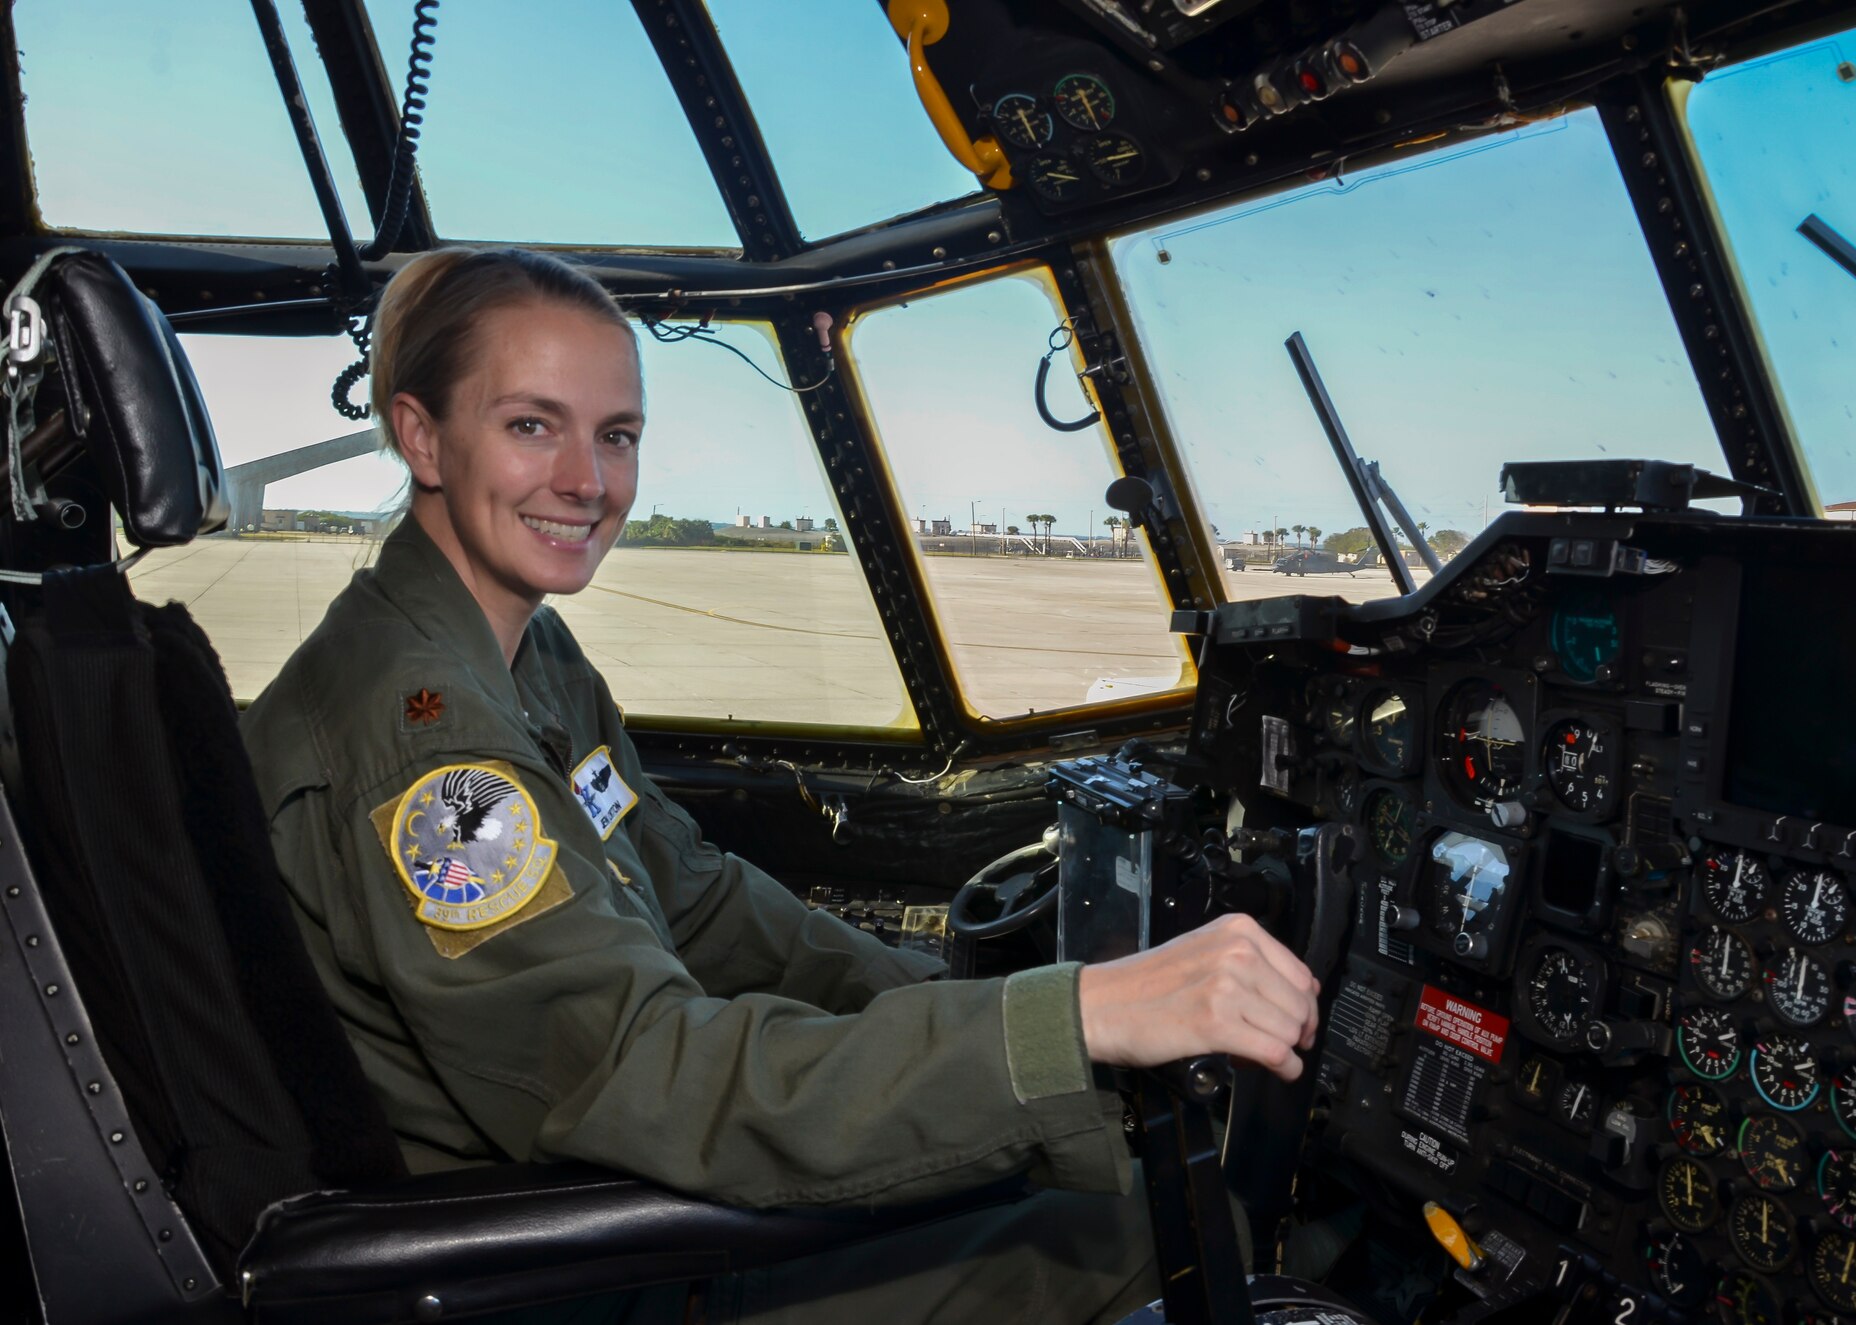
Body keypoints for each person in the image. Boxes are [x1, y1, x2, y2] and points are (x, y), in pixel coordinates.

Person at [240, 248, 1319, 1324]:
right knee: (1141, 1224)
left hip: (585, 1200)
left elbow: (698, 897)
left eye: (615, 435)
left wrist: (966, 1008)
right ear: (422, 434)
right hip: (547, 1269)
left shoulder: (526, 654)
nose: (587, 479)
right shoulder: (429, 752)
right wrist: (1067, 1019)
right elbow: (642, 1073)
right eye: (532, 424)